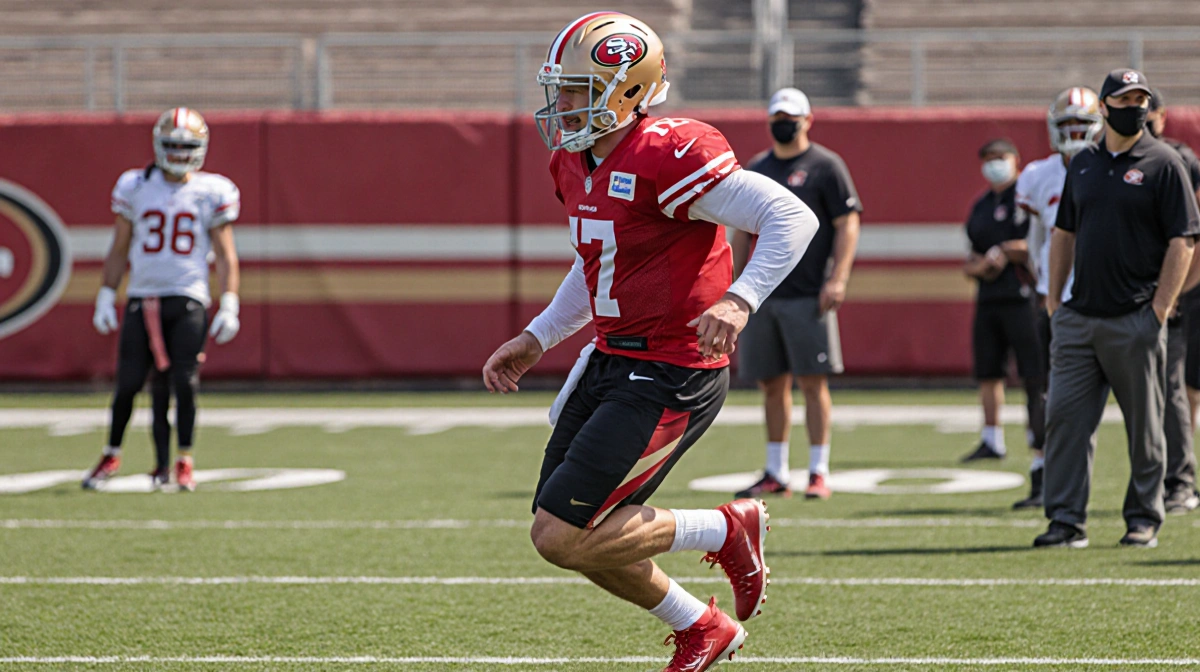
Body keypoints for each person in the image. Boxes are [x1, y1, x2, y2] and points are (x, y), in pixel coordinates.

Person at [482, 12, 817, 672]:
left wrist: (739, 298)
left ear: (628, 89)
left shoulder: (668, 151)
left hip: (670, 369)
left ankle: (725, 529)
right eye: (562, 88)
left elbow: (789, 215)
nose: (563, 104)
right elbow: (596, 263)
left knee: (559, 536)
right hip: (611, 360)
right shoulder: (572, 161)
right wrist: (536, 335)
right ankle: (702, 625)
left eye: (578, 89)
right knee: (581, 534)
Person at [1036, 69, 1200, 549]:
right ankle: (1066, 520)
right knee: (1065, 421)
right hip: (1079, 317)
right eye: (1125, 99)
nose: (1135, 107)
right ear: (1104, 107)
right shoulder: (1083, 163)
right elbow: (1064, 230)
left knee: (1146, 426)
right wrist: (1054, 300)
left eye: (1141, 99)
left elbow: (1183, 240)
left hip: (1135, 317)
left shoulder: (1164, 162)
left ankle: (1143, 516)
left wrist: (1160, 307)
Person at [82, 107, 242, 493]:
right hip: (142, 296)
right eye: (171, 144)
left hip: (188, 297)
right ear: (157, 144)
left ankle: (183, 460)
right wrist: (107, 292)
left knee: (182, 382)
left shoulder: (211, 190)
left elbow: (225, 255)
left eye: (186, 145)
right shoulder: (136, 185)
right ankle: (112, 452)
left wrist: (231, 301)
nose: (178, 152)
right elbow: (120, 246)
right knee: (129, 383)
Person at [730, 87, 862, 501]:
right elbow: (740, 229)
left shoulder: (826, 165)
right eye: (777, 117)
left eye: (790, 116)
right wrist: (734, 285)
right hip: (762, 294)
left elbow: (847, 223)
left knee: (812, 382)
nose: (783, 123)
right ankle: (775, 470)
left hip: (808, 292)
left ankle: (819, 470)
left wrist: (837, 277)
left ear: (807, 119)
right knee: (770, 384)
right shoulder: (758, 166)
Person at [1013, 87, 1104, 509]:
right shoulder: (1037, 175)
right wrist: (1041, 282)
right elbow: (1034, 240)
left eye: (1080, 125)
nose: (1072, 133)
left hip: (1106, 300)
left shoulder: (1111, 169)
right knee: (1048, 393)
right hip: (1056, 301)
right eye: (1065, 125)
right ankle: (1043, 475)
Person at [960, 139, 1044, 478]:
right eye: (988, 159)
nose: (995, 165)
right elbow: (970, 257)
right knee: (988, 371)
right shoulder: (981, 205)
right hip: (989, 297)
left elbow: (1040, 242)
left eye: (1000, 158)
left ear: (1016, 160)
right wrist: (982, 265)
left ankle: (1036, 436)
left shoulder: (1026, 199)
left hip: (1024, 296)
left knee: (1033, 373)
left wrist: (1008, 251)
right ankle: (991, 438)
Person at [1146, 87, 1200, 515]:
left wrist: (1175, 290)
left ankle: (1180, 480)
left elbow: (1190, 238)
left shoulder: (1178, 159)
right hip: (1125, 294)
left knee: (1174, 387)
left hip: (1170, 293)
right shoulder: (1104, 160)